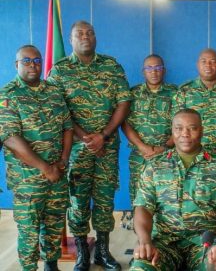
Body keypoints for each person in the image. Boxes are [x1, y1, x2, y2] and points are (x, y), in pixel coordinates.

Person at [48, 21, 131, 271]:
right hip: (75, 150)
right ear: (71, 39)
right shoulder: (60, 71)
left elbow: (123, 102)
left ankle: (103, 252)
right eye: (80, 34)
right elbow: (58, 109)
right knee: (78, 201)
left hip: (107, 147)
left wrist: (103, 136)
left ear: (95, 37)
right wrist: (86, 138)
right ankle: (83, 252)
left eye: (90, 33)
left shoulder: (111, 66)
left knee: (105, 200)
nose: (85, 37)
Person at [130, 108, 216, 271]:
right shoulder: (155, 165)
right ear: (172, 131)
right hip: (164, 243)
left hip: (205, 242)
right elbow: (143, 207)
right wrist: (144, 241)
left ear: (201, 131)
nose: (185, 134)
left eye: (192, 128)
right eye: (179, 128)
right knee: (140, 268)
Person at [0, 45, 73, 271]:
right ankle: (29, 268)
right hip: (28, 180)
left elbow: (67, 127)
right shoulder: (8, 95)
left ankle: (51, 265)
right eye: (27, 61)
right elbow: (11, 138)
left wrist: (63, 161)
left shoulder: (53, 91)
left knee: (54, 224)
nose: (33, 65)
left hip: (57, 174)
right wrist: (45, 168)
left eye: (37, 61)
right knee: (29, 230)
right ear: (17, 64)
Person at [121, 54, 176, 227]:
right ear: (143, 71)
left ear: (164, 70)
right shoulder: (133, 94)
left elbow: (182, 125)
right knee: (138, 196)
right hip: (140, 157)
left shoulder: (176, 93)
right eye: (149, 68)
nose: (154, 72)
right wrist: (142, 146)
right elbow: (125, 123)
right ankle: (141, 236)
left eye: (158, 68)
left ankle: (163, 237)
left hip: (167, 156)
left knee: (166, 196)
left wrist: (164, 147)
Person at [173, 48, 216, 155]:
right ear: (197, 64)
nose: (208, 65)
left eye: (213, 61)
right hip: (192, 156)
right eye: (203, 61)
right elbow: (176, 127)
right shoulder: (184, 91)